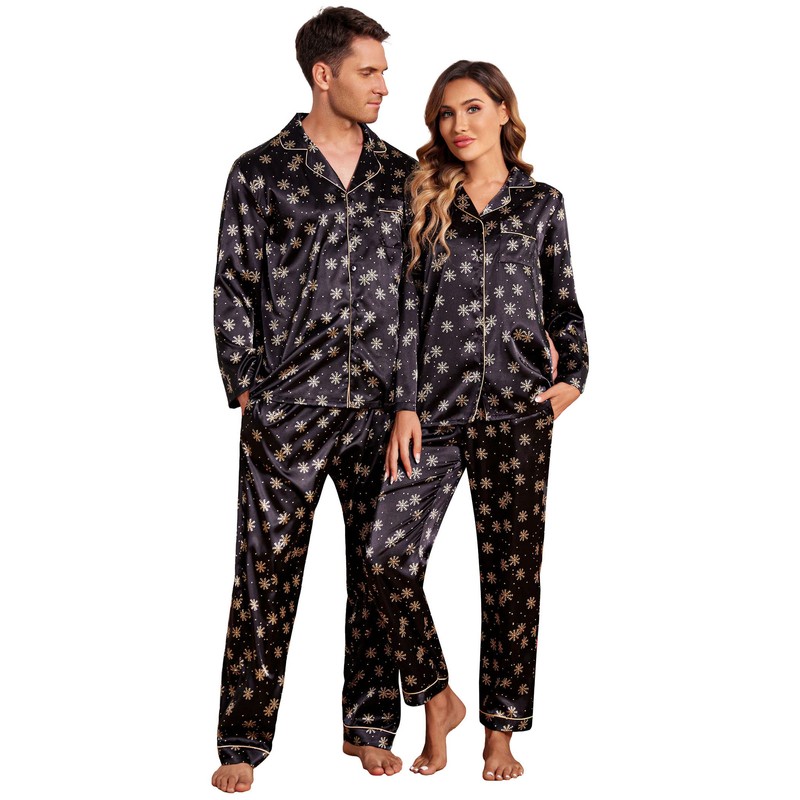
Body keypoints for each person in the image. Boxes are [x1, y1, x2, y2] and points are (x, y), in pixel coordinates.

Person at [348, 60, 589, 780]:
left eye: (473, 108)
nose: (458, 125)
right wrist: (405, 403)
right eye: (446, 114)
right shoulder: (427, 199)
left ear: (503, 112)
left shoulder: (541, 204)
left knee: (513, 578)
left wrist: (573, 378)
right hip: (434, 413)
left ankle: (500, 736)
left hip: (519, 414)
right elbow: (404, 313)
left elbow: (563, 303)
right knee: (384, 560)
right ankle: (437, 697)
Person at [210, 7, 416, 792]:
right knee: (264, 575)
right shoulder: (260, 171)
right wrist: (247, 381)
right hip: (288, 409)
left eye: (384, 72)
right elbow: (234, 281)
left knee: (380, 574)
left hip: (384, 409)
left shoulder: (403, 175)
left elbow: (422, 292)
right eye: (370, 71)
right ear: (323, 75)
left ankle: (370, 727)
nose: (384, 86)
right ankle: (243, 738)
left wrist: (416, 396)